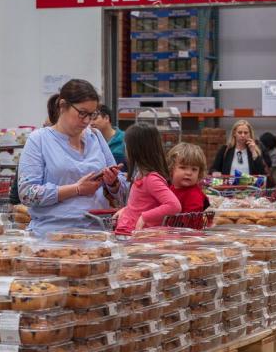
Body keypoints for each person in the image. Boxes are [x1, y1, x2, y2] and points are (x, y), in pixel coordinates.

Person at [19, 79, 125, 236]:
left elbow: (121, 186)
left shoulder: (95, 137)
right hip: (51, 235)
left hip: (97, 232)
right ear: (63, 106)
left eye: (92, 114)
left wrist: (113, 183)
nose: (87, 121)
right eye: (82, 113)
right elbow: (27, 194)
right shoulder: (39, 139)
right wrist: (76, 189)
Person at [115, 123, 180, 234]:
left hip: (140, 239)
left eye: (126, 145)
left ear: (135, 149)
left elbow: (174, 205)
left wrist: (145, 217)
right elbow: (144, 203)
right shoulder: (141, 176)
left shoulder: (151, 179)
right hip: (131, 235)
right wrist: (126, 210)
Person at [167, 142, 211, 215]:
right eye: (183, 167)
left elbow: (191, 223)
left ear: (199, 173)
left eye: (194, 169)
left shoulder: (194, 195)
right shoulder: (170, 188)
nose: (189, 173)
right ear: (171, 168)